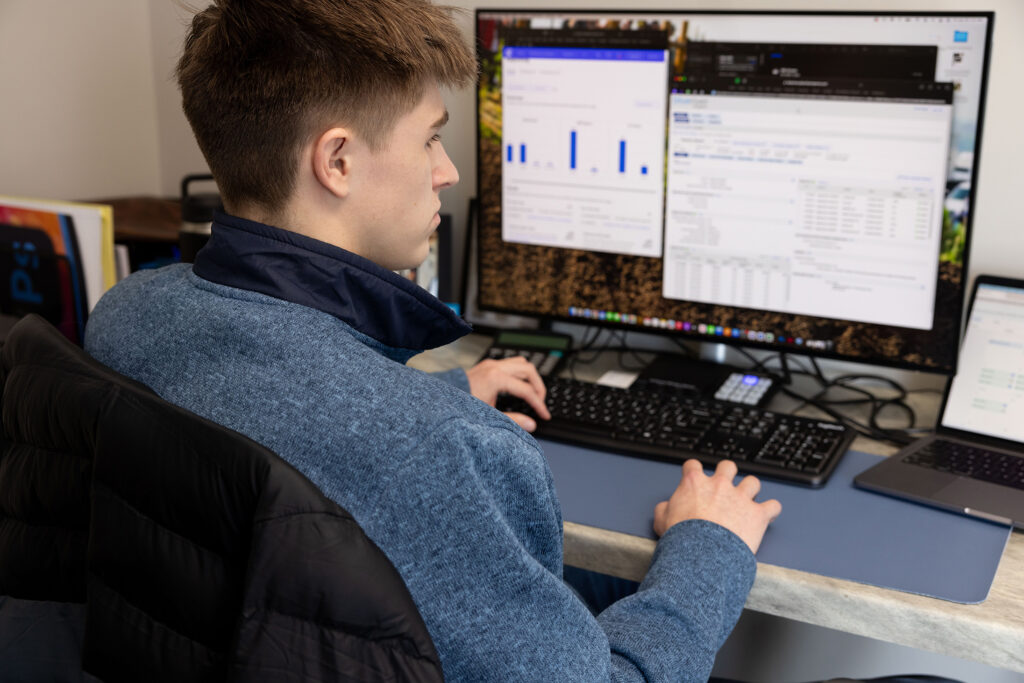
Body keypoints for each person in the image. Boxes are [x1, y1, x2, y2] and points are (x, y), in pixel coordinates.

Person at [85, 0, 781, 679]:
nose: (447, 171)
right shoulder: (437, 452)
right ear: (337, 161)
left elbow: (276, 401)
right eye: (429, 139)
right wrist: (708, 548)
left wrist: (441, 392)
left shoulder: (128, 315)